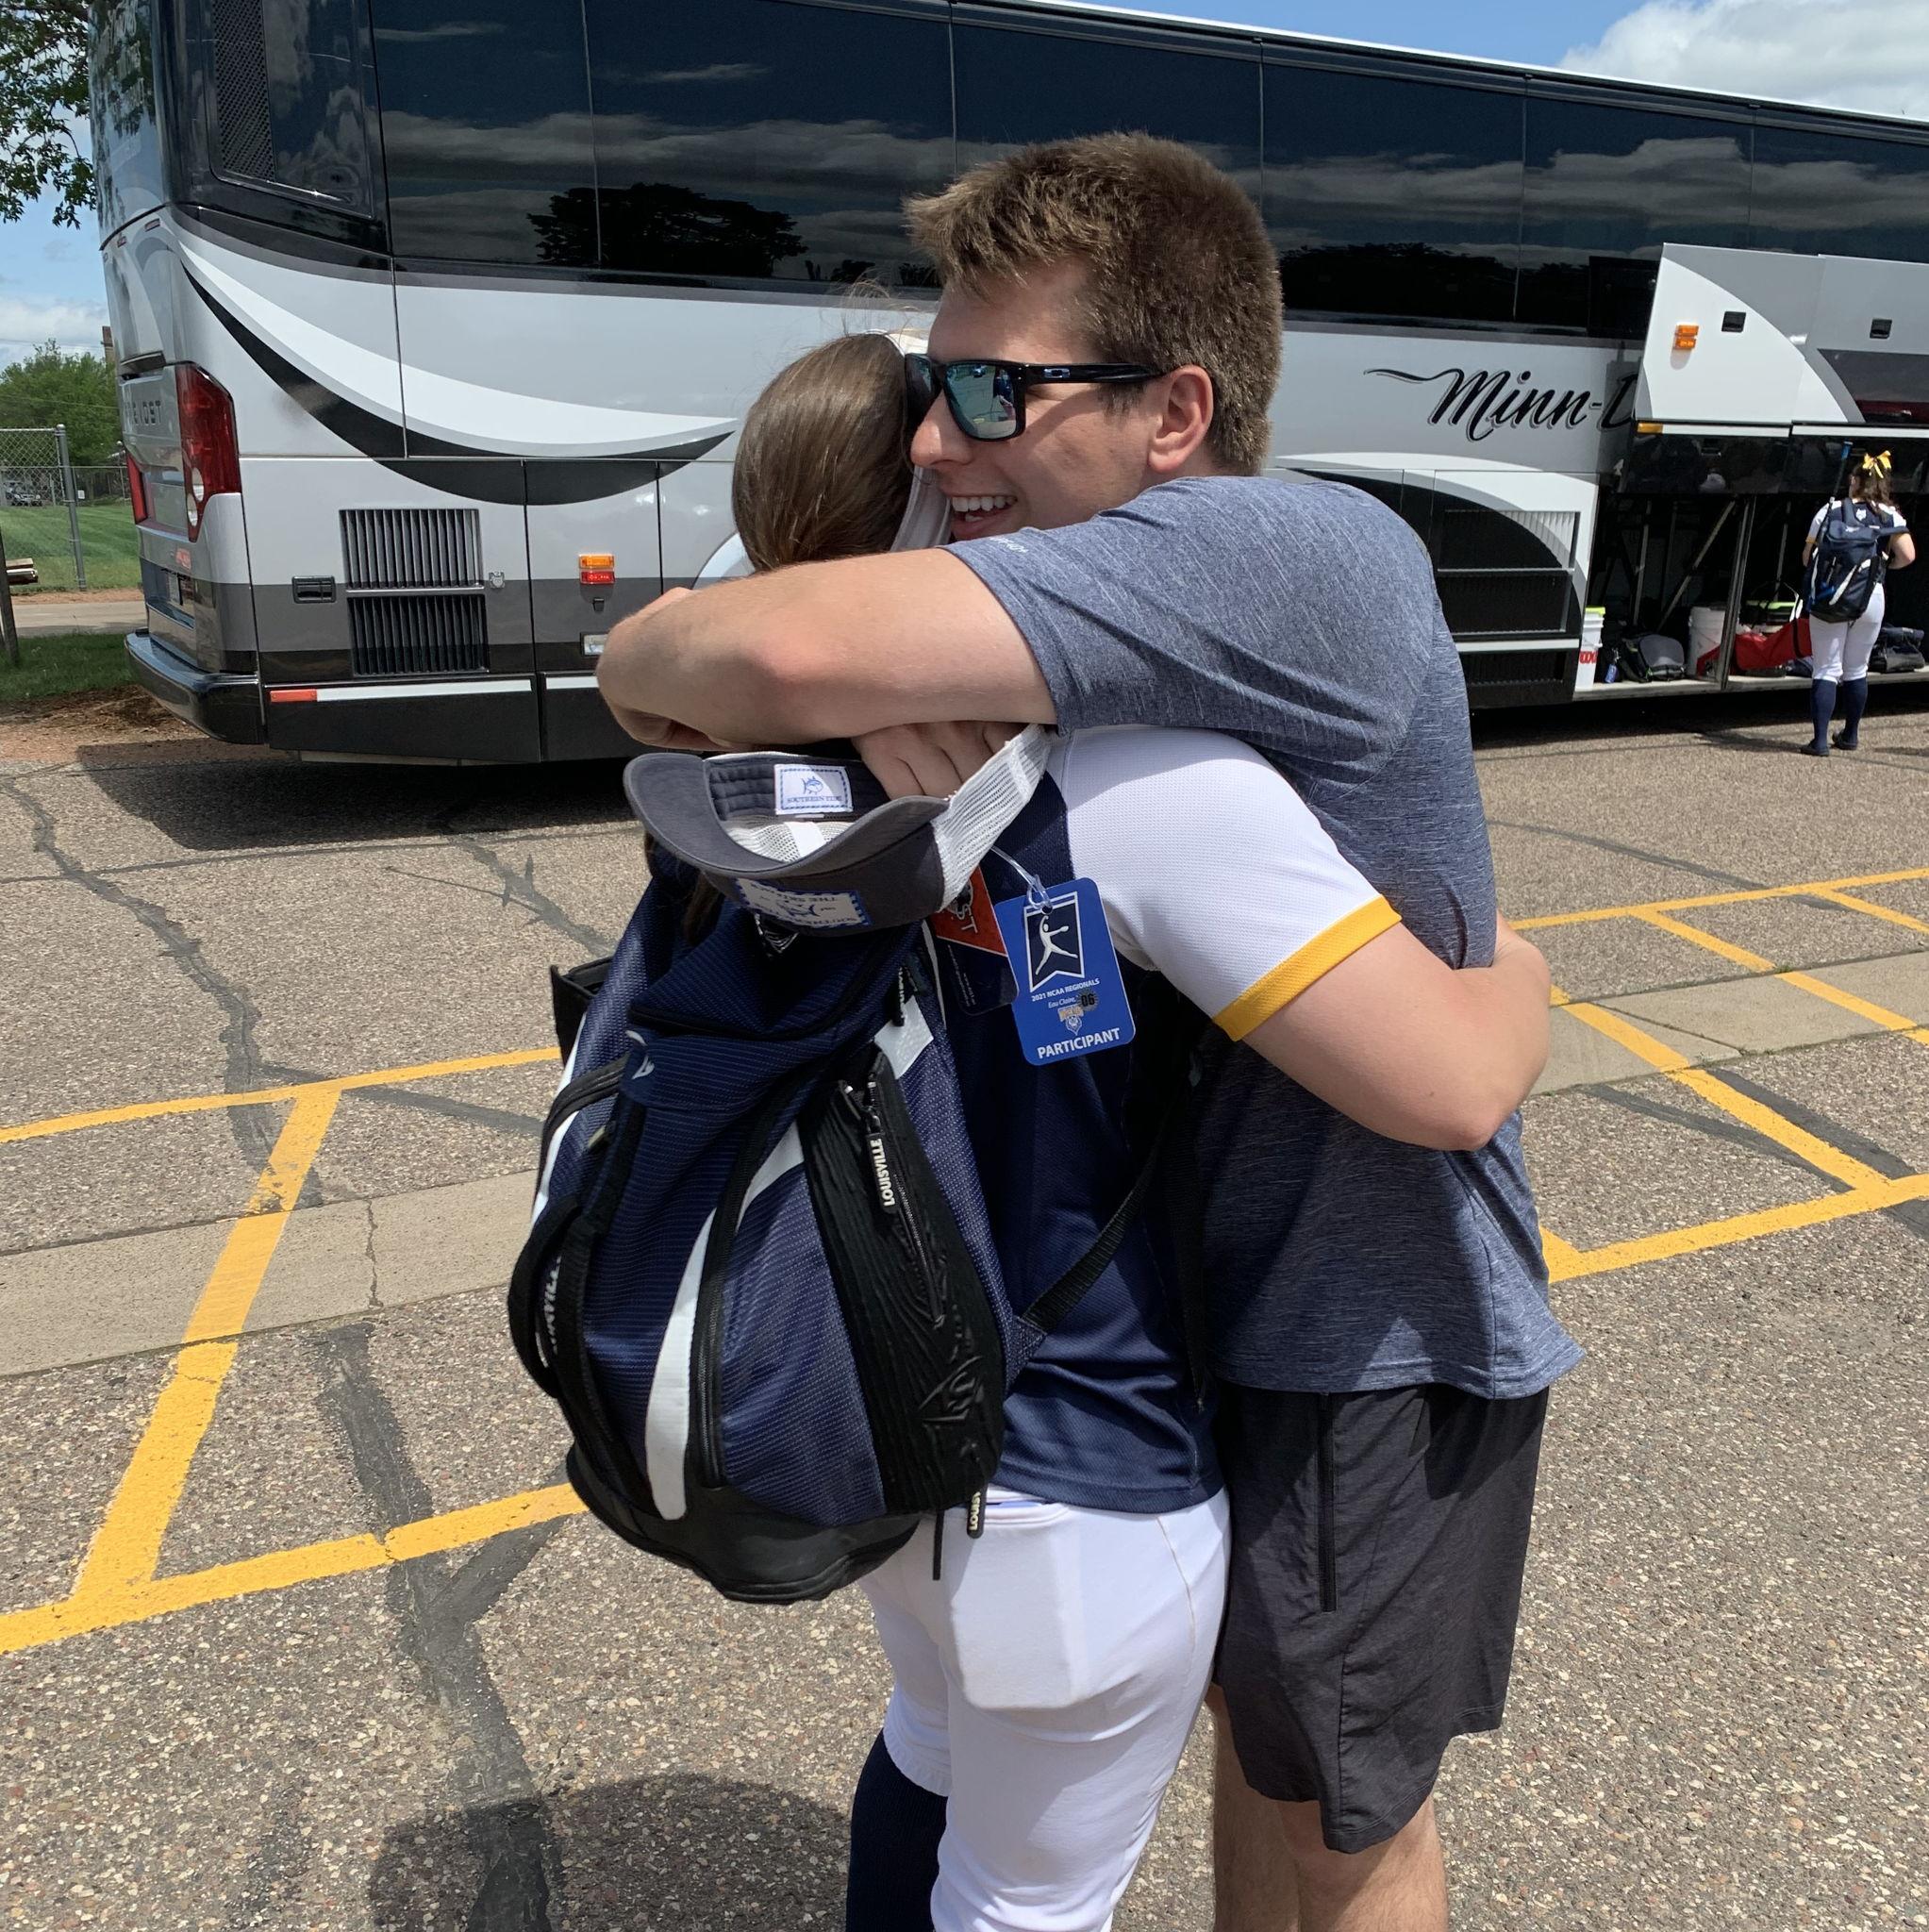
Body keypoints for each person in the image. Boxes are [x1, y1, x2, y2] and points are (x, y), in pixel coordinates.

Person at [600, 135, 1582, 1932]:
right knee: (1243, 1768)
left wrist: (1512, 984)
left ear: (1176, 411)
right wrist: (1519, 969)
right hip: (1152, 1323)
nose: (936, 438)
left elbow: (1447, 1087)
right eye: (930, 389)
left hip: (1361, 1315)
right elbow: (730, 649)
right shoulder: (1063, 724)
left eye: (994, 388)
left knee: (1336, 1819)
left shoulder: (1285, 549)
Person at [1801, 451, 1915, 756]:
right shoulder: (1890, 516)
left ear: (1853, 480)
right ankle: (1850, 735)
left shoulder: (1830, 511)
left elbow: (1807, 557)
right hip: (1871, 596)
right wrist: (1881, 568)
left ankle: (1819, 741)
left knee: (1826, 668)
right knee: (1856, 668)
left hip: (1830, 596)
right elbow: (1908, 556)